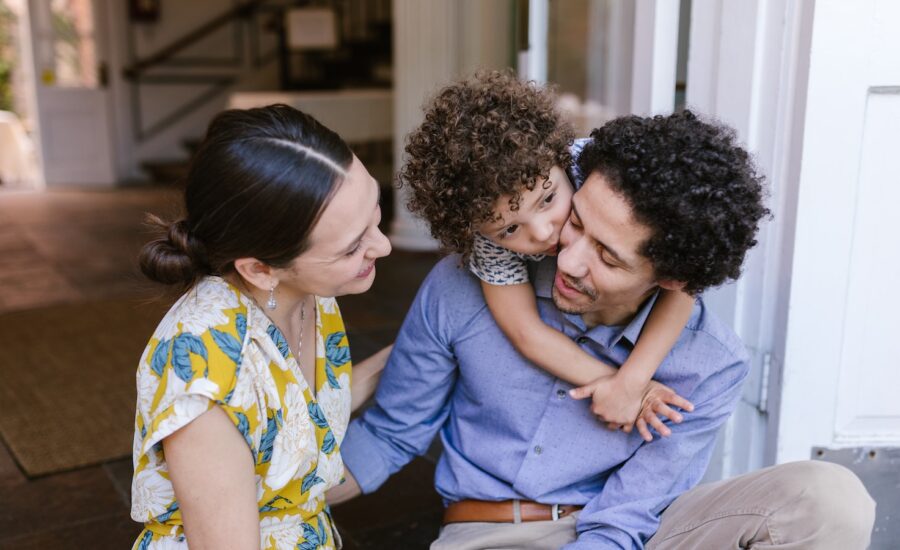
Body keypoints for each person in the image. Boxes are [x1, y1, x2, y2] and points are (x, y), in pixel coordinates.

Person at [332, 76, 876, 549]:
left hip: (636, 532)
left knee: (828, 499)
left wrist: (634, 379)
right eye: (579, 222)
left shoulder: (708, 362)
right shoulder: (469, 279)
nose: (560, 250)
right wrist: (266, 498)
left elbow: (624, 520)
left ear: (667, 277)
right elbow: (390, 433)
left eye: (607, 255)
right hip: (489, 534)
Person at [130, 104, 392, 549]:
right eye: (352, 248)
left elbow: (299, 415)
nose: (383, 247)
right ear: (259, 269)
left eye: (376, 213)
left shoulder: (308, 290)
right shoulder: (204, 376)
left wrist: (426, 351)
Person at [401, 71, 695, 438]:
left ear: (559, 156)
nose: (542, 233)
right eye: (510, 228)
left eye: (548, 199)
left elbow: (686, 282)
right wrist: (615, 385)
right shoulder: (489, 244)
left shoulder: (593, 169)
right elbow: (526, 332)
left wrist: (636, 377)